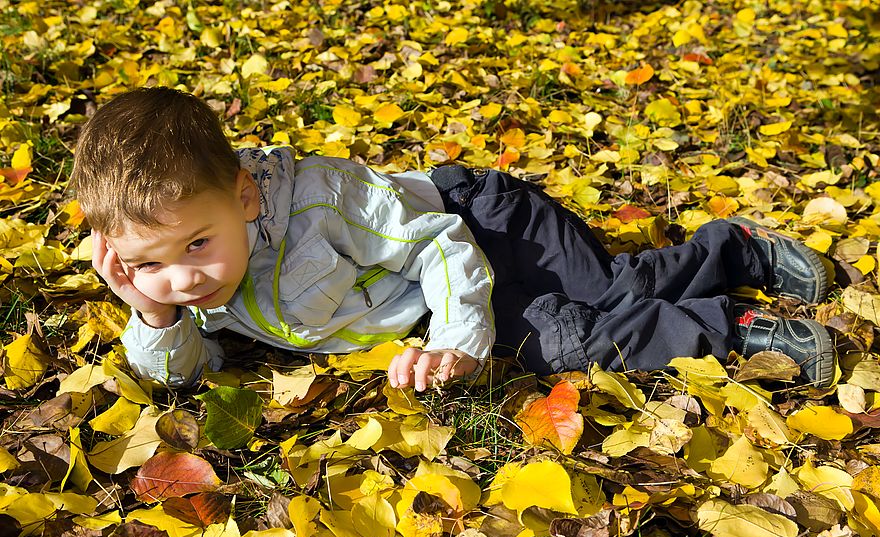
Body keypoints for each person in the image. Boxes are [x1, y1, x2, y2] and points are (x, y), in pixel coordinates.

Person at [69, 87, 835, 391]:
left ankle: (735, 249)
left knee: (608, 288)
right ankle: (733, 330)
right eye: (147, 264)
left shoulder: (318, 204)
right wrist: (153, 318)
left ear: (242, 195)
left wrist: (463, 338)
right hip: (430, 301)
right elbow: (190, 371)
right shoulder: (176, 284)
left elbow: (437, 244)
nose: (183, 278)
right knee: (561, 339)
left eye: (196, 246)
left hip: (481, 223)